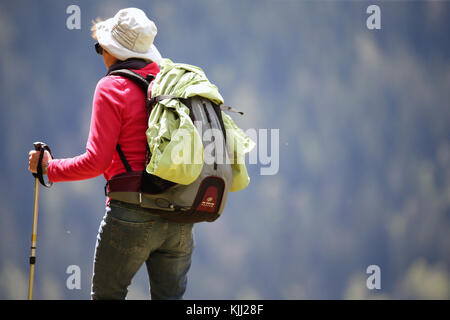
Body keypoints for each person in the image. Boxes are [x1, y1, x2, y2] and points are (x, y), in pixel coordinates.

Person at [28, 8, 194, 300]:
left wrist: (48, 168)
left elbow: (96, 162)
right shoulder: (170, 83)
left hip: (131, 213)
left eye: (101, 48)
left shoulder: (111, 87)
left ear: (113, 52)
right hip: (179, 214)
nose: (101, 54)